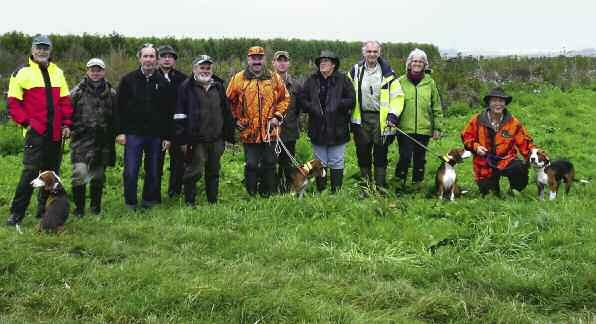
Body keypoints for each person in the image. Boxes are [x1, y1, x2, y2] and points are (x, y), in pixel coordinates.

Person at [6, 34, 73, 226]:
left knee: (50, 175)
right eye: (39, 47)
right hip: (34, 132)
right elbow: (13, 103)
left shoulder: (57, 72)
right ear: (32, 50)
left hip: (55, 133)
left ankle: (44, 211)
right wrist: (26, 123)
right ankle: (16, 214)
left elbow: (65, 101)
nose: (42, 51)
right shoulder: (21, 72)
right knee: (30, 173)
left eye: (46, 48)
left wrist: (67, 123)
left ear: (50, 50)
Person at [115, 43, 174, 209]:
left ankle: (148, 201)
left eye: (152, 56)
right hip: (133, 134)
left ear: (156, 59)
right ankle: (131, 203)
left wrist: (168, 136)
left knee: (153, 171)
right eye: (145, 56)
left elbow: (168, 112)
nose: (148, 60)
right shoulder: (128, 80)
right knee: (131, 171)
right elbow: (118, 107)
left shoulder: (163, 82)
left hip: (155, 135)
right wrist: (119, 132)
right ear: (139, 58)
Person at [226, 46, 290, 197]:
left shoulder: (274, 78)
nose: (257, 61)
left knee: (270, 163)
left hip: (270, 131)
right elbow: (228, 102)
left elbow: (285, 99)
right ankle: (251, 195)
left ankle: (270, 194)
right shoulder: (238, 79)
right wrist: (236, 120)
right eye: (253, 58)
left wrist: (277, 116)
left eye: (259, 58)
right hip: (250, 132)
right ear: (248, 59)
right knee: (251, 164)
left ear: (264, 60)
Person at [174, 55, 235, 205]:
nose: (205, 70)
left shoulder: (219, 86)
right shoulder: (185, 87)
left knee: (213, 171)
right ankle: (189, 202)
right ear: (194, 69)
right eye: (202, 67)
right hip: (195, 140)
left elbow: (226, 112)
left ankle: (212, 202)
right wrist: (182, 139)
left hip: (216, 139)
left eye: (208, 68)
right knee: (193, 172)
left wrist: (228, 136)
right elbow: (179, 115)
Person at [349, 41, 404, 190]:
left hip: (382, 120)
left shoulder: (388, 73)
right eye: (369, 51)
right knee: (362, 153)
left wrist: (393, 115)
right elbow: (347, 91)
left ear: (379, 53)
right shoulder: (355, 71)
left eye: (375, 51)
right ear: (363, 53)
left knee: (381, 153)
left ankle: (380, 186)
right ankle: (365, 187)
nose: (372, 54)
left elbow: (398, 97)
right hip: (361, 119)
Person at [299, 50, 355, 193]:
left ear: (334, 65)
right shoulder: (312, 80)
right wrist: (312, 108)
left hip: (338, 129)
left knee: (336, 161)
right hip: (317, 128)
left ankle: (336, 192)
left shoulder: (343, 80)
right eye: (321, 62)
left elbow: (351, 100)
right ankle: (321, 192)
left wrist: (337, 105)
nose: (322, 64)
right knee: (320, 163)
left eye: (326, 61)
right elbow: (303, 99)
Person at [461, 88, 536, 196]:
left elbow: (525, 143)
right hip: (484, 164)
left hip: (506, 160)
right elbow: (466, 137)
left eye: (501, 101)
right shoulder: (476, 120)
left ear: (505, 103)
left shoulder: (514, 123)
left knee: (520, 169)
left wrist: (539, 156)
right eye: (494, 101)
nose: (498, 104)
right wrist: (476, 147)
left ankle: (513, 191)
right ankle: (491, 188)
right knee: (490, 194)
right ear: (489, 103)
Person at [389, 48, 442, 190]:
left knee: (420, 158)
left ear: (425, 65)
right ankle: (399, 184)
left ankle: (416, 186)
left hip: (424, 128)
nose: (417, 64)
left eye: (420, 61)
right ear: (409, 63)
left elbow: (436, 106)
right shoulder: (400, 81)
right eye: (414, 61)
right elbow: (393, 103)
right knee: (405, 157)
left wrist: (437, 128)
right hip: (404, 128)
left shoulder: (430, 83)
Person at [69, 58, 117, 216]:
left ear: (104, 72)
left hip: (102, 142)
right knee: (79, 174)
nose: (95, 73)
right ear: (87, 71)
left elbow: (117, 116)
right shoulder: (77, 91)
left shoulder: (111, 92)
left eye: (99, 70)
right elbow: (66, 113)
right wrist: (66, 127)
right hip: (81, 141)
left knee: (98, 176)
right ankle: (79, 209)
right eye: (92, 70)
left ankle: (95, 207)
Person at [156, 45, 188, 199]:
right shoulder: (151, 77)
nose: (167, 59)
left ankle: (174, 192)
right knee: (155, 163)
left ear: (174, 60)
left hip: (177, 128)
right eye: (163, 56)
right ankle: (153, 193)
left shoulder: (183, 79)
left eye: (170, 56)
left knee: (178, 163)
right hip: (157, 128)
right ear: (158, 59)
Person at [272, 50, 303, 193]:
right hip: (271, 133)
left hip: (290, 132)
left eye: (285, 60)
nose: (282, 63)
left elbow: (301, 107)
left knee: (288, 164)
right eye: (279, 60)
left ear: (288, 63)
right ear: (273, 63)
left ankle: (288, 191)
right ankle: (273, 190)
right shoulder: (267, 83)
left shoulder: (296, 85)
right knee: (271, 164)